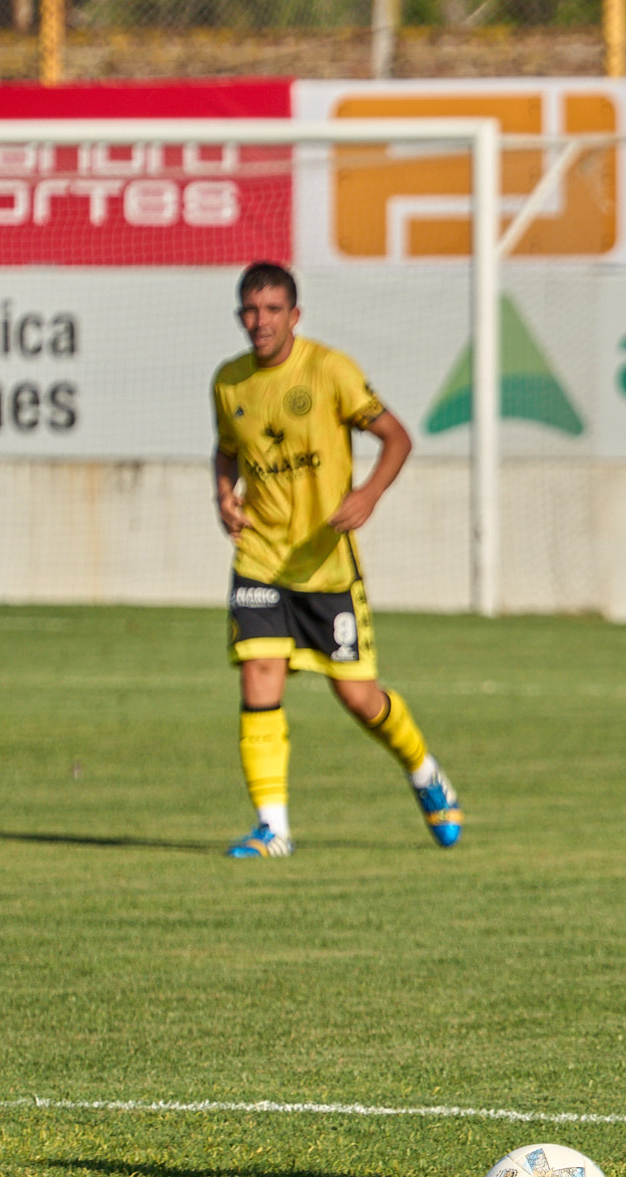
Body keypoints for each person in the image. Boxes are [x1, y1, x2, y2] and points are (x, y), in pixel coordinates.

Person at [212, 261, 462, 858]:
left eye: (273, 310)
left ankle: (425, 773)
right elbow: (225, 452)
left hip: (326, 569)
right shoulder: (229, 382)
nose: (260, 321)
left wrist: (369, 494)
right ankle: (273, 829)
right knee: (259, 675)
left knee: (359, 698)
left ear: (294, 316)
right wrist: (223, 496)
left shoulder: (330, 371)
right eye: (251, 309)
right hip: (261, 559)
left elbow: (397, 436)